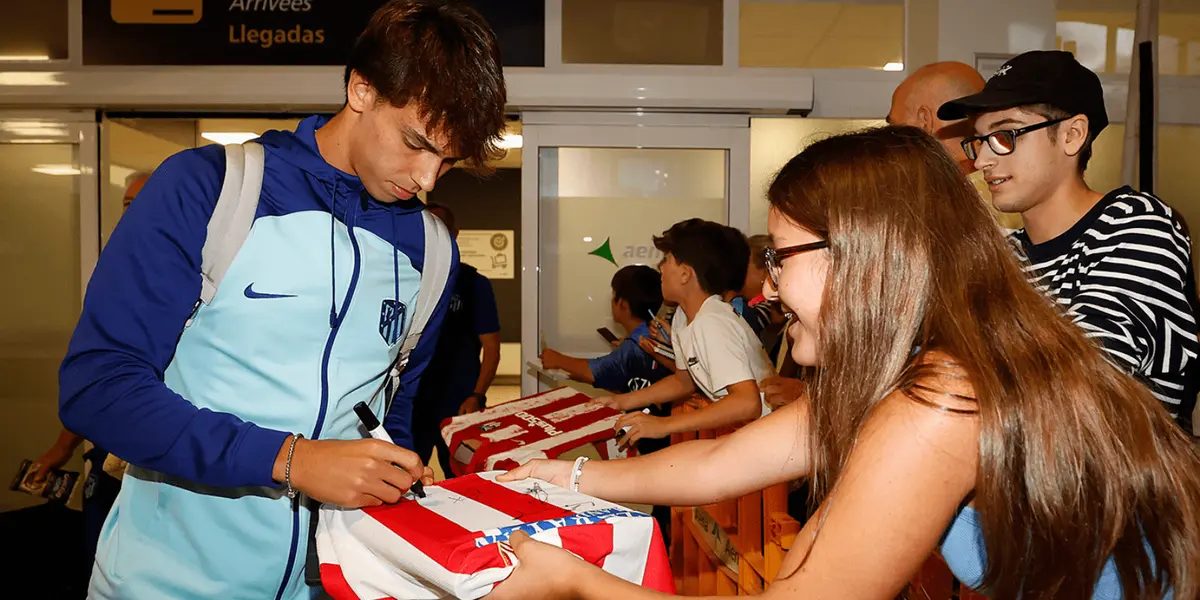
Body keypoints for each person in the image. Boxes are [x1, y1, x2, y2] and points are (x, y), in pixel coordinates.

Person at [490, 126, 1200, 600]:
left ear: (864, 257)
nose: (765, 290)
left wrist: (574, 580)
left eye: (779, 257)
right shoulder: (917, 372)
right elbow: (716, 467)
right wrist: (569, 475)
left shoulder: (945, 399)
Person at [55, 2, 507, 598]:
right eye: (416, 143)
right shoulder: (208, 188)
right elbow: (98, 389)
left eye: (446, 159)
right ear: (362, 89)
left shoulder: (433, 250)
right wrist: (290, 459)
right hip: (166, 580)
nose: (427, 178)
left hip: (337, 584)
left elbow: (390, 411)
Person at [939, 50, 1200, 428]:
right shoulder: (1004, 256)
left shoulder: (1136, 224)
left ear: (1072, 135)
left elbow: (1081, 379)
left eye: (1004, 135)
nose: (982, 161)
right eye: (979, 141)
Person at [596, 219, 775, 446]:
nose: (660, 268)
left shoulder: (712, 322)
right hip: (750, 435)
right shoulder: (683, 316)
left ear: (685, 274)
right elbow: (684, 381)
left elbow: (747, 403)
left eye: (667, 260)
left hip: (767, 437)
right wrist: (620, 402)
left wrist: (665, 425)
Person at [412, 202, 501, 476]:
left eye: (442, 230)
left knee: (463, 476)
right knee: (409, 476)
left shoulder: (474, 284)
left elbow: (492, 349)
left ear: (455, 233)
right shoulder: (408, 278)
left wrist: (477, 394)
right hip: (415, 402)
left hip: (460, 404)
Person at [540, 265, 669, 395]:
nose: (611, 301)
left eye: (614, 294)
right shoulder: (653, 333)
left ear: (623, 304)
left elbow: (594, 371)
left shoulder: (635, 345)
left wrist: (557, 360)